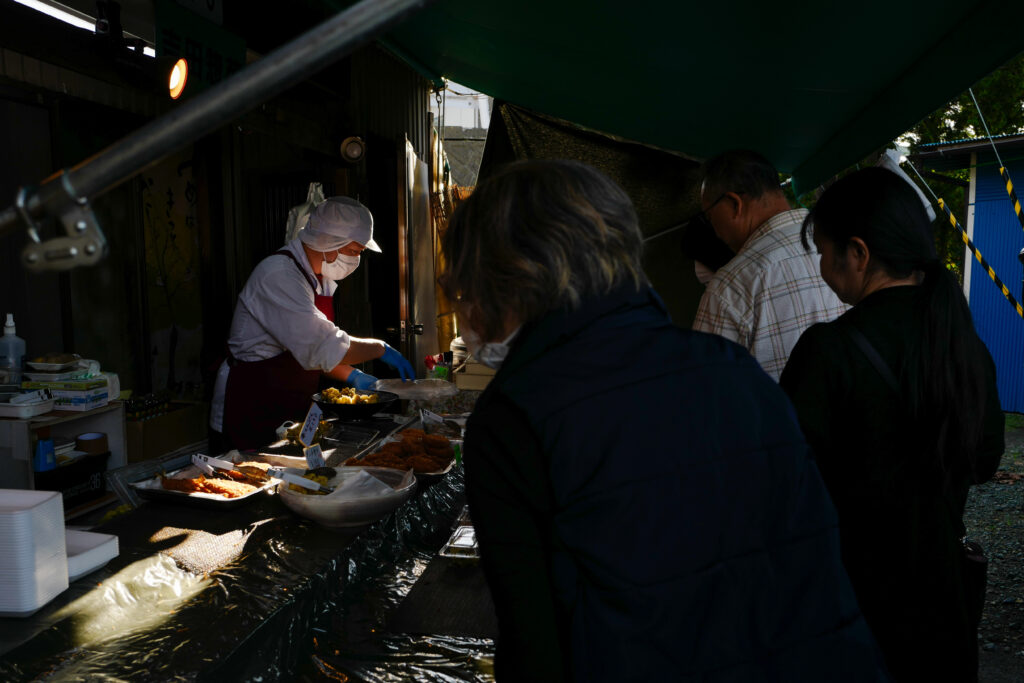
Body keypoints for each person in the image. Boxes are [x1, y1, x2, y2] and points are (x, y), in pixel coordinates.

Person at [440, 159, 888, 682]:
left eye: (468, 285)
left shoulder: (515, 416)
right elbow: (808, 562)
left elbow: (533, 640)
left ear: (508, 277)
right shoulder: (733, 370)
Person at [779, 167, 1005, 682]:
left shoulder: (828, 350)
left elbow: (786, 483)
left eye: (823, 249)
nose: (820, 265)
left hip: (856, 604)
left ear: (857, 253)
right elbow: (986, 458)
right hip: (943, 605)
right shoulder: (962, 345)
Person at [209, 196, 414, 450]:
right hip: (252, 402)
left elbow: (312, 350)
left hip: (287, 400)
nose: (356, 260)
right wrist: (380, 348)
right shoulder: (279, 276)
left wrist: (353, 375)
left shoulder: (317, 278)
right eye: (353, 251)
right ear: (328, 241)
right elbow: (321, 346)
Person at [692, 149, 847, 379]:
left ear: (734, 204)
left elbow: (704, 387)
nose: (714, 231)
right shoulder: (843, 246)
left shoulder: (730, 286)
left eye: (710, 216)